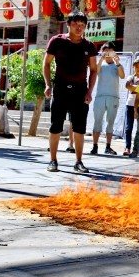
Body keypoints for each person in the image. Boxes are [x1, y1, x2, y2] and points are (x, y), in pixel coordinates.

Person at [43, 11, 98, 173]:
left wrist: (89, 91)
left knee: (80, 128)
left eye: (82, 25)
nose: (79, 27)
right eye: (75, 24)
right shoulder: (57, 41)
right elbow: (46, 64)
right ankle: (53, 160)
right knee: (56, 126)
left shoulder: (89, 46)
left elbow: (94, 70)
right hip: (60, 89)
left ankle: (79, 162)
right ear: (68, 24)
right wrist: (48, 85)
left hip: (80, 91)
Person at [90, 42, 125, 155]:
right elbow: (96, 71)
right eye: (105, 51)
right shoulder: (100, 64)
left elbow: (122, 76)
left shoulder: (117, 65)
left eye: (110, 51)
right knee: (97, 122)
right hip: (100, 97)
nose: (108, 54)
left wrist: (118, 62)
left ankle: (108, 146)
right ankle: (95, 146)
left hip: (113, 97)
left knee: (110, 122)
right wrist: (101, 58)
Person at [123, 59, 139, 156]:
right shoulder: (131, 77)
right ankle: (127, 147)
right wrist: (138, 88)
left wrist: (134, 87)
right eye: (136, 67)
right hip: (130, 104)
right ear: (133, 67)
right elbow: (127, 85)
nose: (138, 69)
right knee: (129, 127)